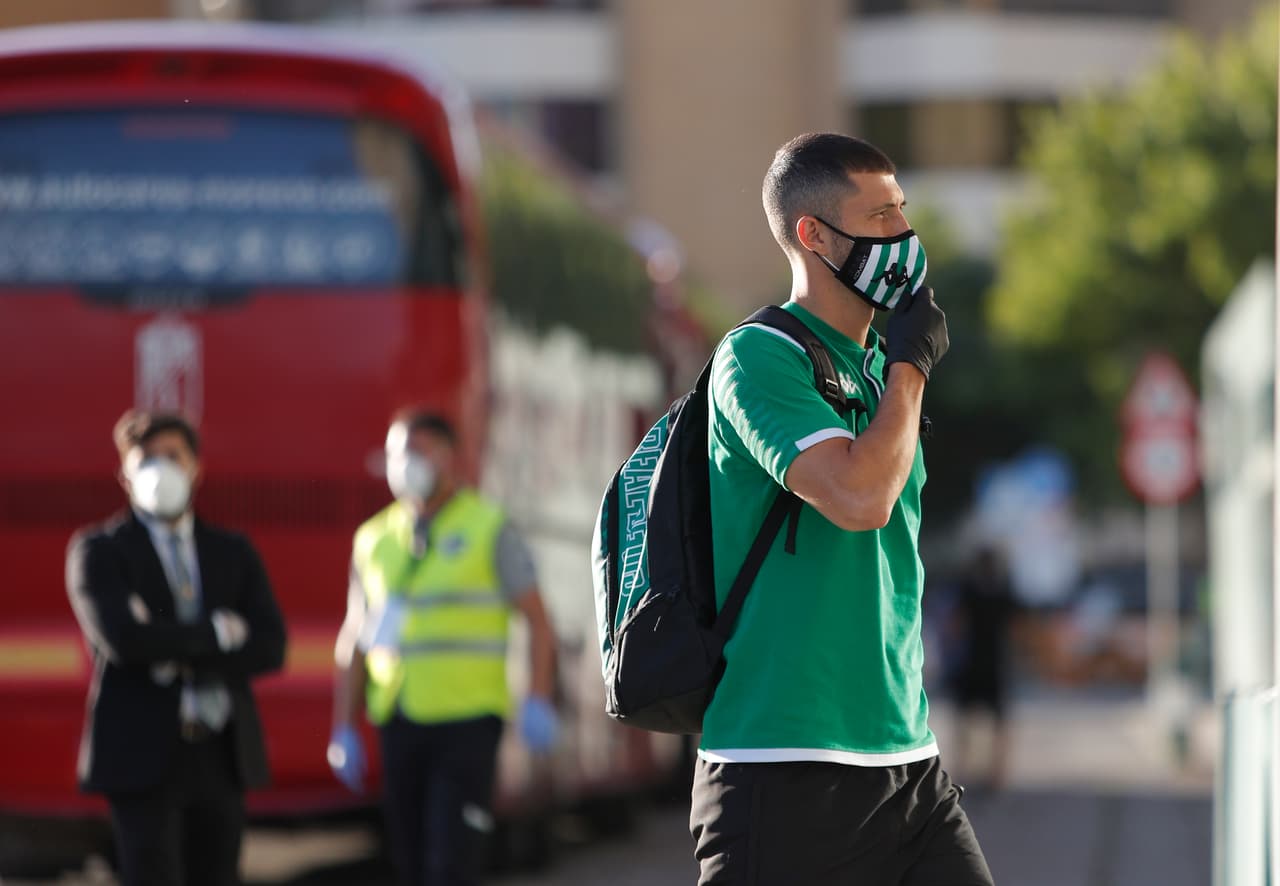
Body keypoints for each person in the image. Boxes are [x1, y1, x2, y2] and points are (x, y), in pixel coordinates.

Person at [689, 133, 993, 884]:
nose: (905, 238)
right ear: (813, 234)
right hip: (783, 768)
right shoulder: (760, 356)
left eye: (903, 213)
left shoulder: (874, 371)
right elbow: (859, 498)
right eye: (882, 217)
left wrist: (896, 371)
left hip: (905, 761)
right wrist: (912, 369)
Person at [328, 410, 559, 886]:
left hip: (469, 722)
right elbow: (355, 635)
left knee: (451, 865)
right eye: (396, 453)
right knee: (410, 863)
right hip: (399, 718)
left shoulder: (489, 526)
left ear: (449, 456)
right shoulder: (372, 538)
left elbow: (537, 619)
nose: (405, 463)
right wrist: (343, 726)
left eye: (419, 450)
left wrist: (537, 696)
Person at [65, 409, 287, 886]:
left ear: (196, 468)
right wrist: (218, 633)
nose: (160, 470)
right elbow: (123, 641)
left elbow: (270, 645)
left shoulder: (232, 550)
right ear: (124, 474)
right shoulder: (99, 550)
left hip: (219, 753)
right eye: (146, 460)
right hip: (142, 757)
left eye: (172, 457)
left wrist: (166, 645)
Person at [946, 545, 1019, 792]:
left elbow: (956, 626)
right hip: (996, 662)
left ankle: (963, 771)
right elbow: (1017, 628)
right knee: (998, 723)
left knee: (966, 721)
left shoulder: (968, 591)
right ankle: (997, 775)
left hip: (972, 662)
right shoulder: (1004, 592)